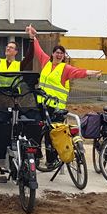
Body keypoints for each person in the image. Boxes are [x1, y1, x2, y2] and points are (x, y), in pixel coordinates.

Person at [27, 24, 101, 168]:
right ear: (53, 54)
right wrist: (33, 36)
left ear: (63, 56)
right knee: (35, 131)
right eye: (57, 52)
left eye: (62, 53)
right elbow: (38, 50)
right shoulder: (45, 63)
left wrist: (92, 73)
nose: (59, 55)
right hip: (42, 105)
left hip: (56, 109)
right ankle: (36, 156)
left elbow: (78, 72)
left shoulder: (65, 69)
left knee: (52, 136)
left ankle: (51, 160)